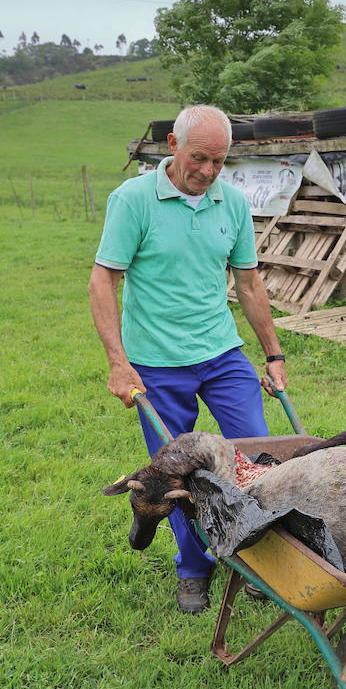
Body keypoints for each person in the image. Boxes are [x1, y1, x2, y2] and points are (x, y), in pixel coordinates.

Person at [89, 104, 287, 614]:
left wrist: (273, 355)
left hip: (222, 354)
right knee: (177, 475)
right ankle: (195, 568)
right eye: (199, 158)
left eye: (219, 163)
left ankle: (263, 559)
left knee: (255, 459)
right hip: (154, 363)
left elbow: (248, 283)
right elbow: (103, 281)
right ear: (173, 146)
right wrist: (117, 361)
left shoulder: (233, 203)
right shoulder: (132, 200)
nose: (208, 172)